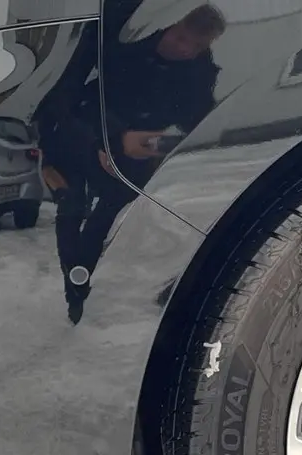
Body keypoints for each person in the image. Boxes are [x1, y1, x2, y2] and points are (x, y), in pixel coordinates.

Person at [34, 2, 225, 324]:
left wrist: (167, 142)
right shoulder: (121, 43)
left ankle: (79, 282)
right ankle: (73, 284)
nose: (184, 49)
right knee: (71, 202)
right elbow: (69, 97)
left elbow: (198, 120)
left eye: (196, 46)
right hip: (83, 130)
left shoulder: (199, 70)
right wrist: (109, 138)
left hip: (136, 148)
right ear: (167, 24)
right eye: (180, 37)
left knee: (111, 208)